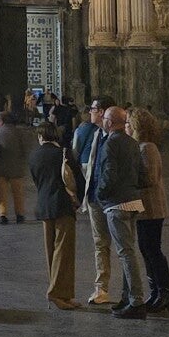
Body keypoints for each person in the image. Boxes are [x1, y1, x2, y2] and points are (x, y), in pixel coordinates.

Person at [91, 106, 150, 319]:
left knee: (126, 253)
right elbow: (143, 174)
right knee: (129, 251)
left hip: (116, 203)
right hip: (133, 201)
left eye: (105, 117)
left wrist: (100, 195)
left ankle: (136, 301)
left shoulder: (110, 143)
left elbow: (109, 174)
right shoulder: (133, 142)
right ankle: (127, 297)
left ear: (109, 122)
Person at [30, 122, 81, 310]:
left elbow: (37, 181)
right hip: (63, 205)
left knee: (51, 251)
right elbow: (78, 180)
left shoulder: (34, 155)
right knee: (64, 251)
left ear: (40, 136)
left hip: (44, 206)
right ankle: (56, 293)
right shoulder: (64, 154)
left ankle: (63, 294)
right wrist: (79, 200)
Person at [72, 97, 117, 306]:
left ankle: (131, 292)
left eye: (93, 109)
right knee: (100, 243)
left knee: (124, 247)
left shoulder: (118, 138)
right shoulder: (96, 134)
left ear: (103, 112)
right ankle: (101, 287)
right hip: (94, 197)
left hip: (114, 198)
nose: (90, 112)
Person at [131, 108, 169, 312]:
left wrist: (129, 178)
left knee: (153, 250)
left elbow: (150, 177)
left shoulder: (147, 148)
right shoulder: (141, 146)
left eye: (130, 124)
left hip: (152, 207)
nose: (127, 127)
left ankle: (164, 293)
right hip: (144, 208)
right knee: (145, 249)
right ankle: (155, 291)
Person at [0, 109, 37, 224]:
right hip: (17, 168)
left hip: (0, 167)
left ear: (1, 121)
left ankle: (2, 214)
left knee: (1, 193)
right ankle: (20, 214)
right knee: (18, 193)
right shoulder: (20, 132)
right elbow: (26, 149)